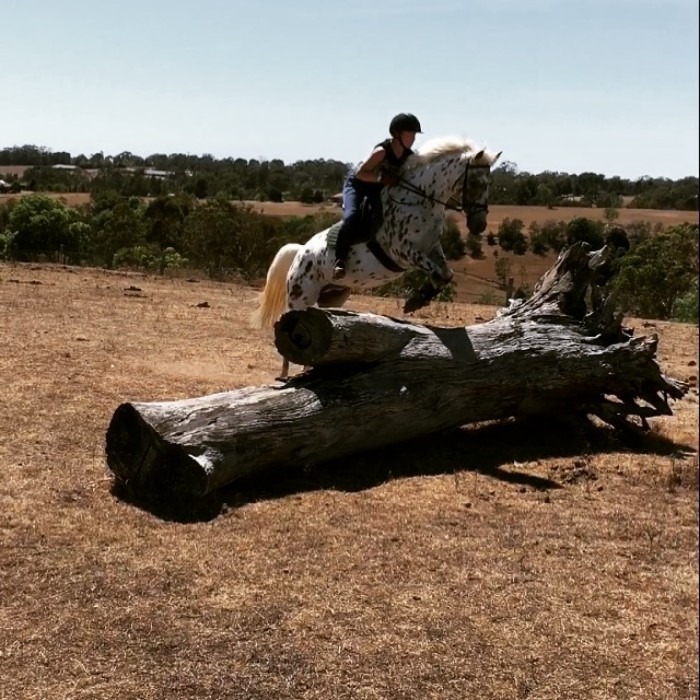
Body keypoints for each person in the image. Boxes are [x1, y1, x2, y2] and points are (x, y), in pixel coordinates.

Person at [333, 113, 423, 279]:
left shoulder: (409, 156)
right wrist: (382, 178)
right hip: (357, 185)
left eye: (414, 135)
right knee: (352, 217)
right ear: (397, 134)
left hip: (377, 189)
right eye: (410, 134)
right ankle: (340, 260)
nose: (413, 138)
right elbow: (360, 173)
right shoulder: (381, 152)